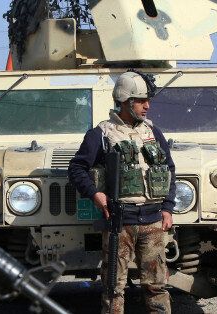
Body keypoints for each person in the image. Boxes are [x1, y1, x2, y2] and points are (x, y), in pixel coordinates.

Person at [68, 71, 176, 313]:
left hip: (153, 222)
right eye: (141, 100)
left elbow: (169, 169)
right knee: (113, 288)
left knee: (157, 287)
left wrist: (168, 207)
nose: (147, 106)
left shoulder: (153, 132)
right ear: (126, 101)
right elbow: (76, 169)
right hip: (120, 223)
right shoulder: (102, 134)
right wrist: (96, 194)